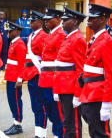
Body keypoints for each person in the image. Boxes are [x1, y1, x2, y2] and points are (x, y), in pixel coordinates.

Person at [78, 4, 112, 138]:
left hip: (99, 95)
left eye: (92, 18)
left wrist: (106, 104)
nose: (88, 20)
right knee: (93, 132)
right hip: (89, 92)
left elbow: (111, 75)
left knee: (100, 133)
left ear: (102, 19)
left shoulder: (107, 42)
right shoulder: (94, 40)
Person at [53, 8, 87, 138]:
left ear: (74, 21)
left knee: (73, 126)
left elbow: (80, 69)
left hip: (71, 88)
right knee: (66, 122)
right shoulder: (69, 38)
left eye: (66, 20)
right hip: (63, 86)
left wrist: (77, 95)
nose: (62, 22)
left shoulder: (77, 39)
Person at [39, 8, 66, 138]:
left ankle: (58, 135)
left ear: (58, 19)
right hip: (45, 78)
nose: (46, 21)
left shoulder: (60, 35)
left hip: (52, 79)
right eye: (45, 19)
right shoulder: (50, 34)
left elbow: (60, 61)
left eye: (49, 19)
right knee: (49, 111)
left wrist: (57, 84)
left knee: (56, 113)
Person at [24, 10, 48, 138]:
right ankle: (37, 131)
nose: (30, 23)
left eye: (33, 21)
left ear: (40, 22)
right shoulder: (30, 36)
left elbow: (45, 58)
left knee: (40, 105)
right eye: (30, 21)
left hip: (38, 73)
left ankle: (42, 133)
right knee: (34, 105)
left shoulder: (43, 36)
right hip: (30, 73)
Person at [3, 22, 27, 135]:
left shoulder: (20, 45)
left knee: (16, 101)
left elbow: (22, 64)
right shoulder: (13, 43)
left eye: (10, 31)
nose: (8, 32)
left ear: (17, 32)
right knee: (11, 100)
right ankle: (15, 122)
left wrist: (19, 79)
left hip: (15, 78)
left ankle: (18, 125)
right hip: (10, 77)